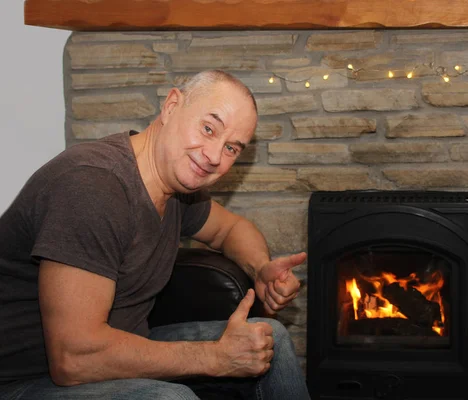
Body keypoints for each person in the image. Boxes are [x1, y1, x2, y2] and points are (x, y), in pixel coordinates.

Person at [0, 70, 311, 399]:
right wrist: (215, 359)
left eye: (232, 148)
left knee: (268, 337)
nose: (214, 156)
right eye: (208, 128)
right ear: (172, 105)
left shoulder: (175, 186)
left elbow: (231, 229)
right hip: (28, 378)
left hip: (119, 346)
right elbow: (74, 359)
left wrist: (260, 268)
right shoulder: (93, 187)